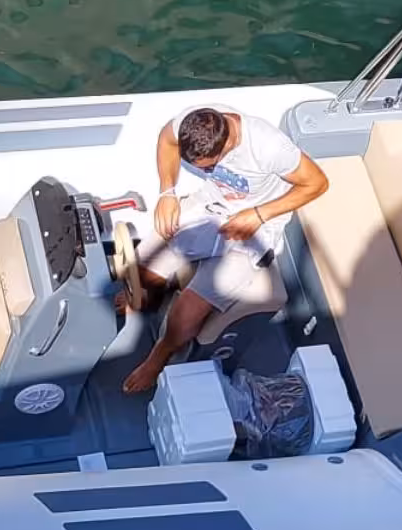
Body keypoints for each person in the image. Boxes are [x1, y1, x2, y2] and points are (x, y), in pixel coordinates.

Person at [119, 104, 329, 394]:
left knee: (186, 312)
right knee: (144, 266)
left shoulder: (268, 146)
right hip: (212, 206)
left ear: (226, 144)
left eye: (207, 166)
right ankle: (144, 297)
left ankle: (158, 357)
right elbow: (166, 140)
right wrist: (167, 192)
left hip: (256, 229)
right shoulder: (193, 122)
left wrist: (258, 214)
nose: (204, 170)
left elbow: (317, 183)